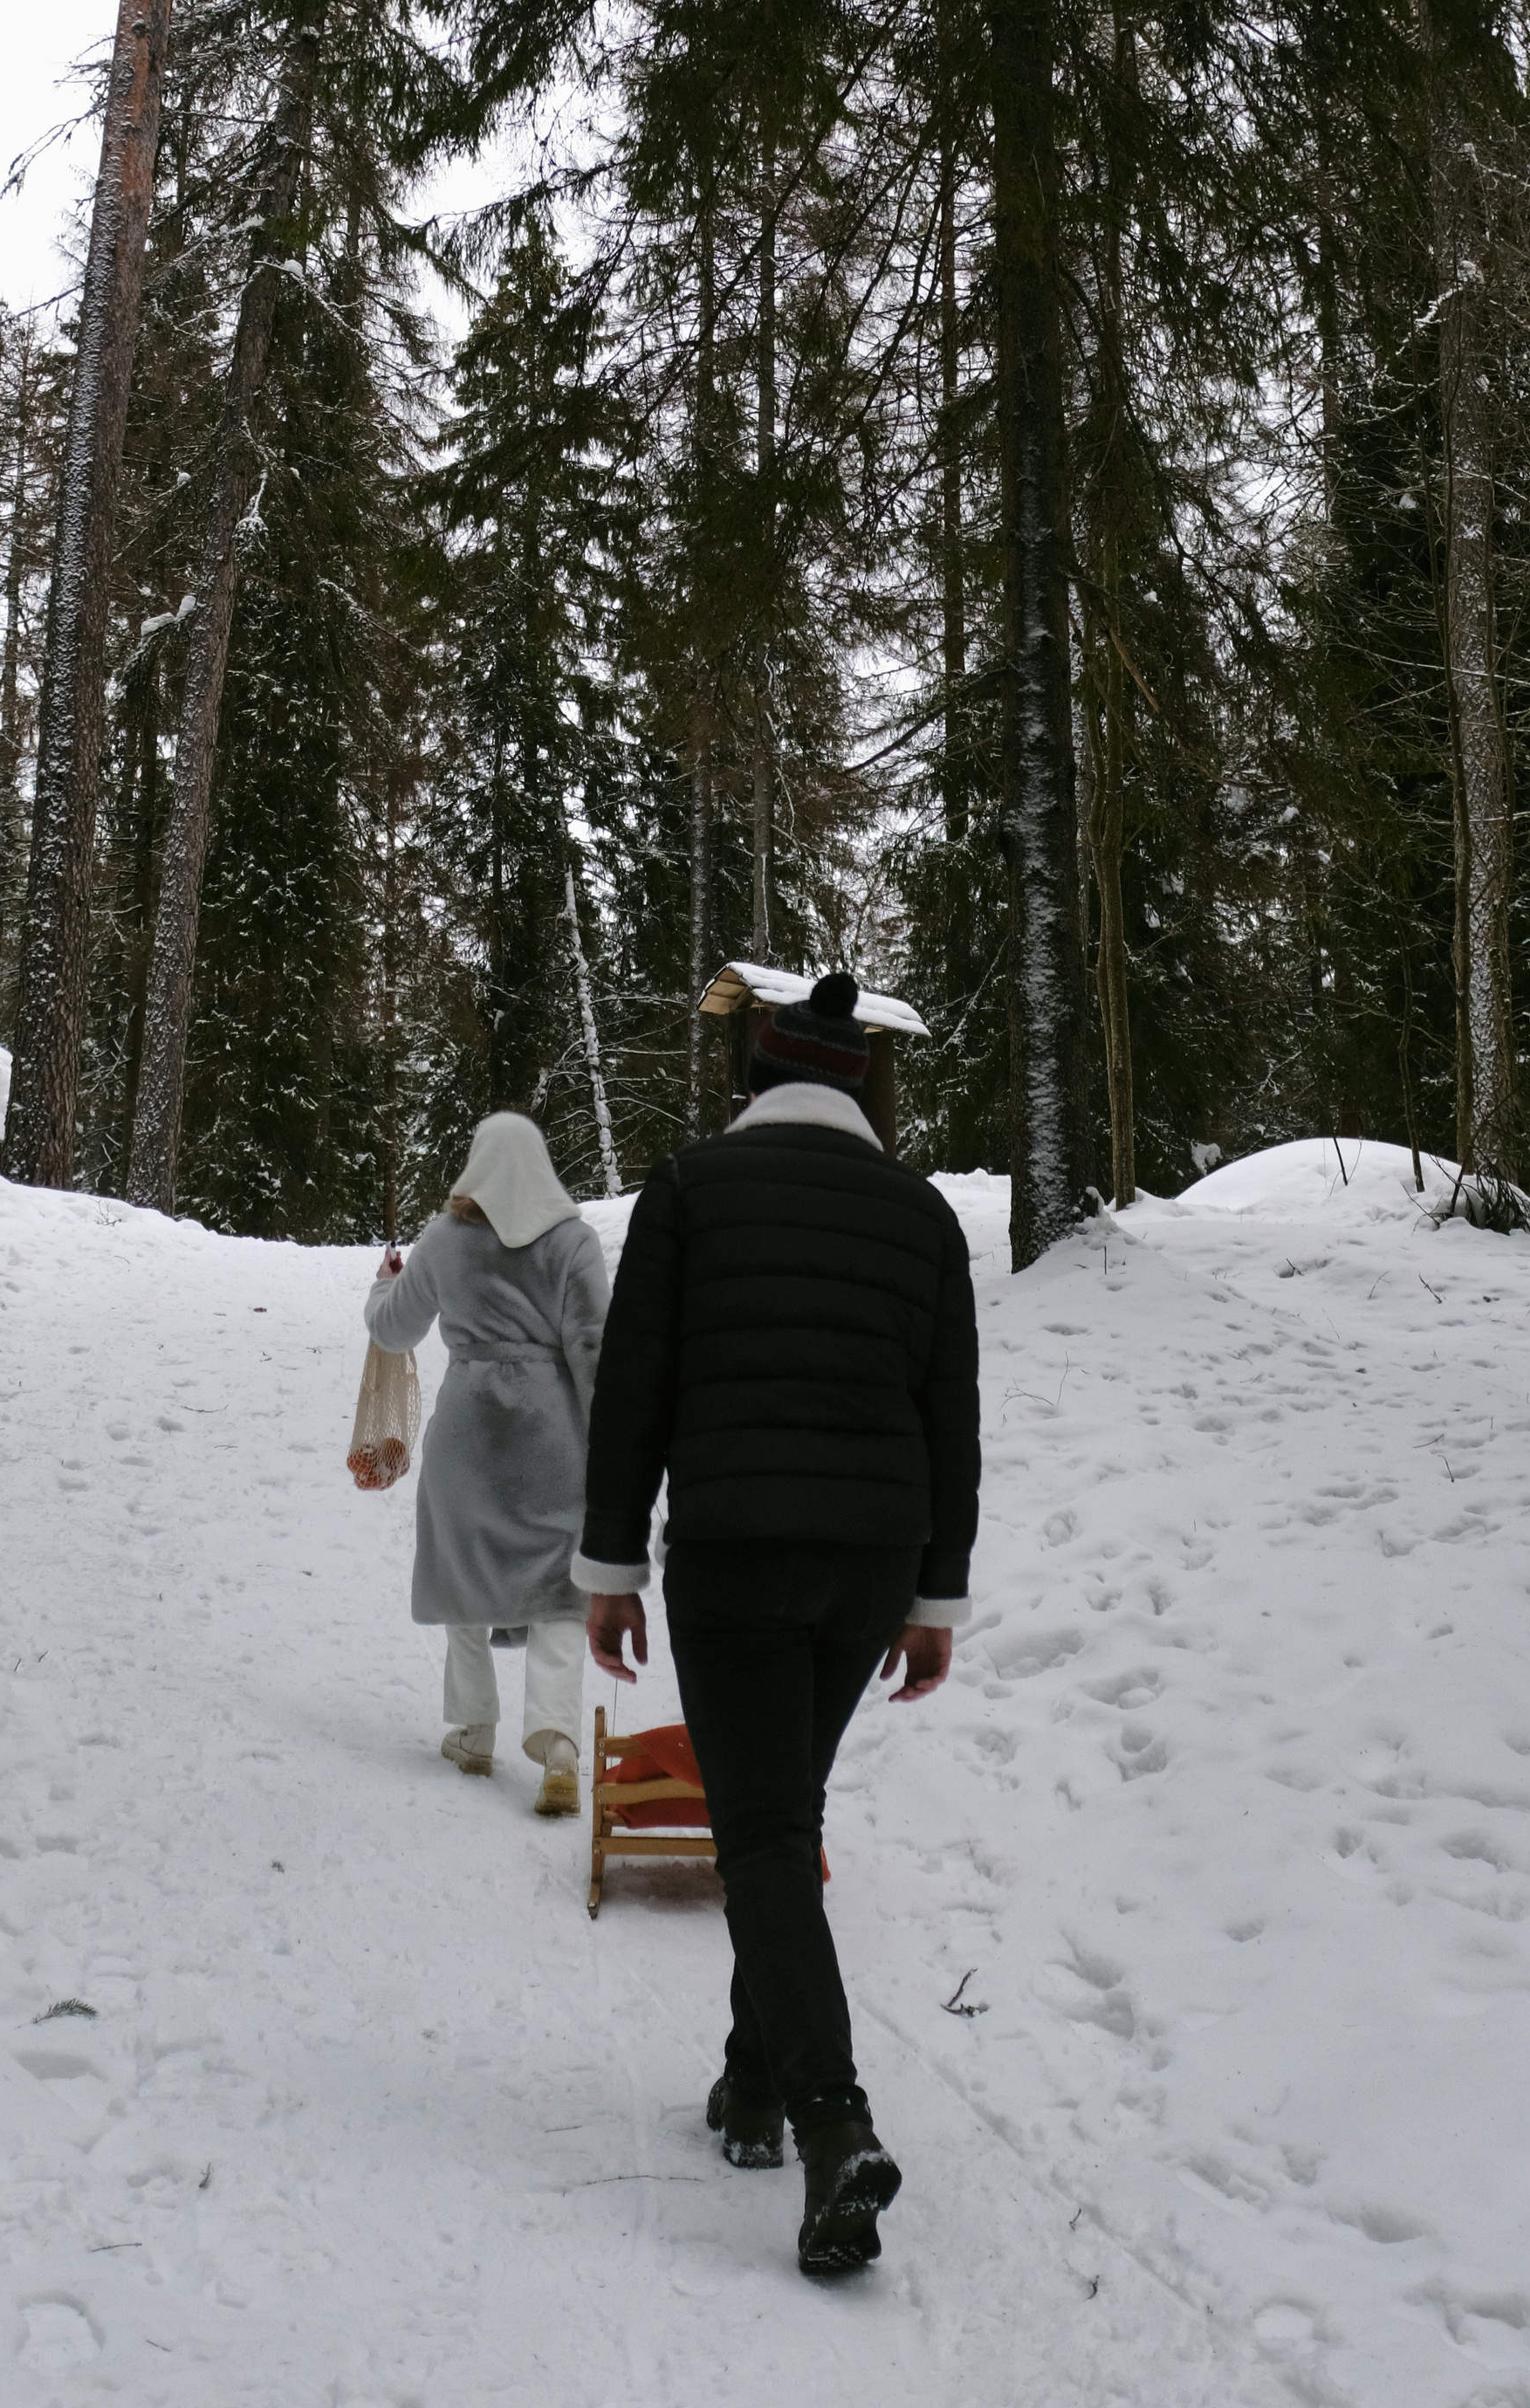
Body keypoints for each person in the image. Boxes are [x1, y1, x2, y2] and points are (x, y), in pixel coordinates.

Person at [577, 971, 978, 2279]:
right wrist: (933, 1596)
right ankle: (753, 2085)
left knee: (758, 1830)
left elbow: (636, 1385)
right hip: (869, 1560)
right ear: (859, 1085)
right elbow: (950, 1422)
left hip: (737, 1548)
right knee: (781, 1816)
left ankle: (832, 2123)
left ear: (753, 1078)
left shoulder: (690, 1192)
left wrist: (612, 1561)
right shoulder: (919, 1214)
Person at [367, 1112, 610, 1816]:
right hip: (551, 1439)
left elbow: (392, 1329)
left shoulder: (444, 1242)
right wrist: (613, 1449)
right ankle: (558, 1744)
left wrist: (382, 1285)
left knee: (462, 1571)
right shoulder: (572, 1243)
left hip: (466, 1437)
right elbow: (595, 1353)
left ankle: (474, 1732)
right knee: (562, 1584)